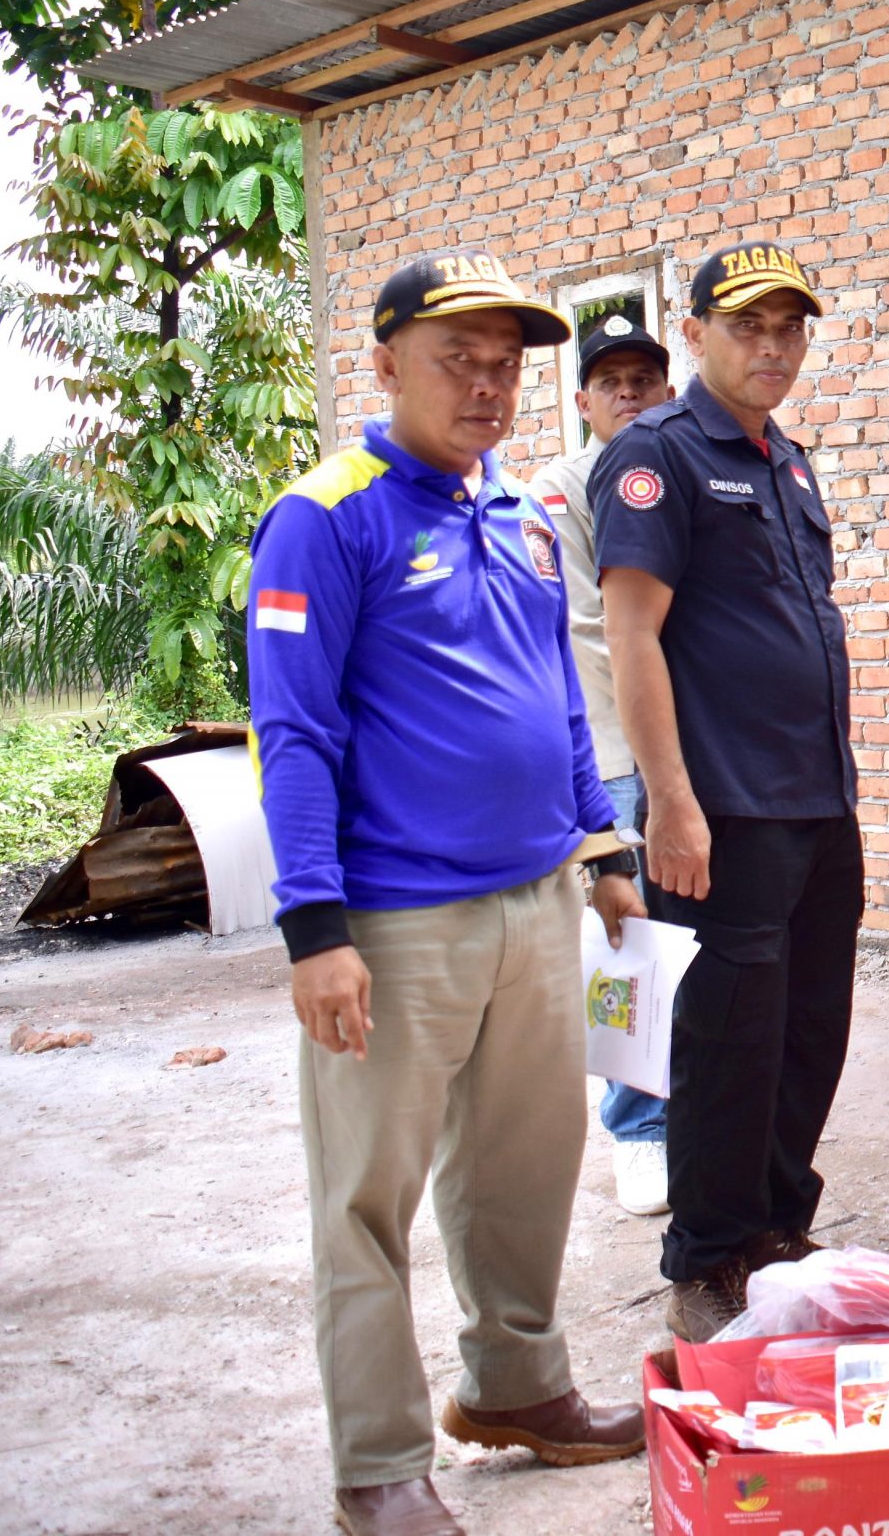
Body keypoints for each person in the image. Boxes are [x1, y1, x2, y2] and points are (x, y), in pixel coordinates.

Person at [249, 250, 647, 1536]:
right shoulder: (326, 513)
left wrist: (602, 851)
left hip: (537, 902)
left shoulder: (522, 517)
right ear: (383, 364)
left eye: (505, 365)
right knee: (368, 1199)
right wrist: (317, 931)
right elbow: (293, 730)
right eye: (454, 361)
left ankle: (519, 1390)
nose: (487, 386)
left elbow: (560, 702)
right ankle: (378, 1465)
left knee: (528, 1169)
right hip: (393, 920)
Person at [595, 240, 862, 1343]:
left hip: (815, 800)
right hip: (725, 808)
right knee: (725, 1041)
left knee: (811, 1027)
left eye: (789, 328)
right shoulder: (655, 455)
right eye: (747, 326)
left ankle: (775, 1231)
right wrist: (671, 800)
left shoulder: (785, 459)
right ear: (694, 331)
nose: (771, 346)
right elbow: (633, 636)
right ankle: (704, 1259)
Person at [529, 315, 676, 1217]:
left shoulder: (683, 471)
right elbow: (583, 626)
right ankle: (637, 1131)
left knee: (691, 941)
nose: (629, 392)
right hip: (611, 751)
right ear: (581, 401)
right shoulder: (558, 489)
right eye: (609, 381)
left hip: (690, 749)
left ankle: (685, 1111)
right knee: (624, 947)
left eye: (644, 378)